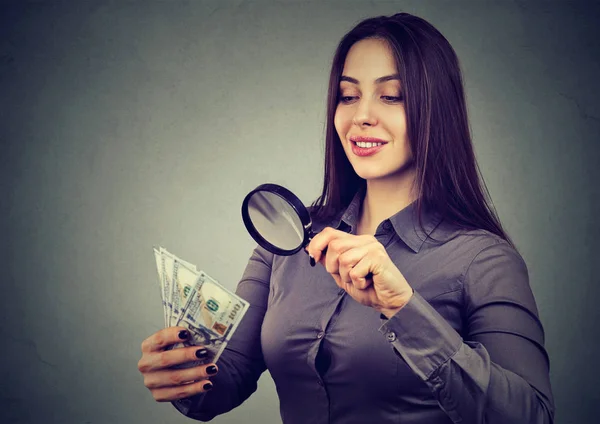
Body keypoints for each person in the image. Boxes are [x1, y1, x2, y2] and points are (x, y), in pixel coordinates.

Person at [137, 12, 555, 423]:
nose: (361, 116)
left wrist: (404, 308)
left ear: (435, 111)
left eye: (391, 96)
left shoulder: (482, 259)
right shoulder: (289, 242)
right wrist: (182, 373)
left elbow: (531, 416)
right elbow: (223, 381)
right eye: (348, 96)